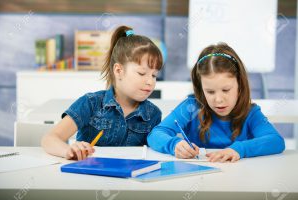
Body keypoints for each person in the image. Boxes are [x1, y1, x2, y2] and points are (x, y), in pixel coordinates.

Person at [147, 42, 285, 162]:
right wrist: (174, 145)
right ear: (201, 88)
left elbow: (276, 141)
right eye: (210, 92)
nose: (218, 100)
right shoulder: (191, 107)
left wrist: (239, 149)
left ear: (240, 85)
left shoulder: (251, 113)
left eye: (226, 90)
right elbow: (155, 134)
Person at [42, 25, 163, 160]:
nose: (150, 82)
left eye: (154, 75)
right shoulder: (90, 103)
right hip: (89, 177)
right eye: (142, 73)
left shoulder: (154, 114)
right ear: (118, 71)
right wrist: (68, 150)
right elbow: (49, 139)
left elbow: (153, 154)